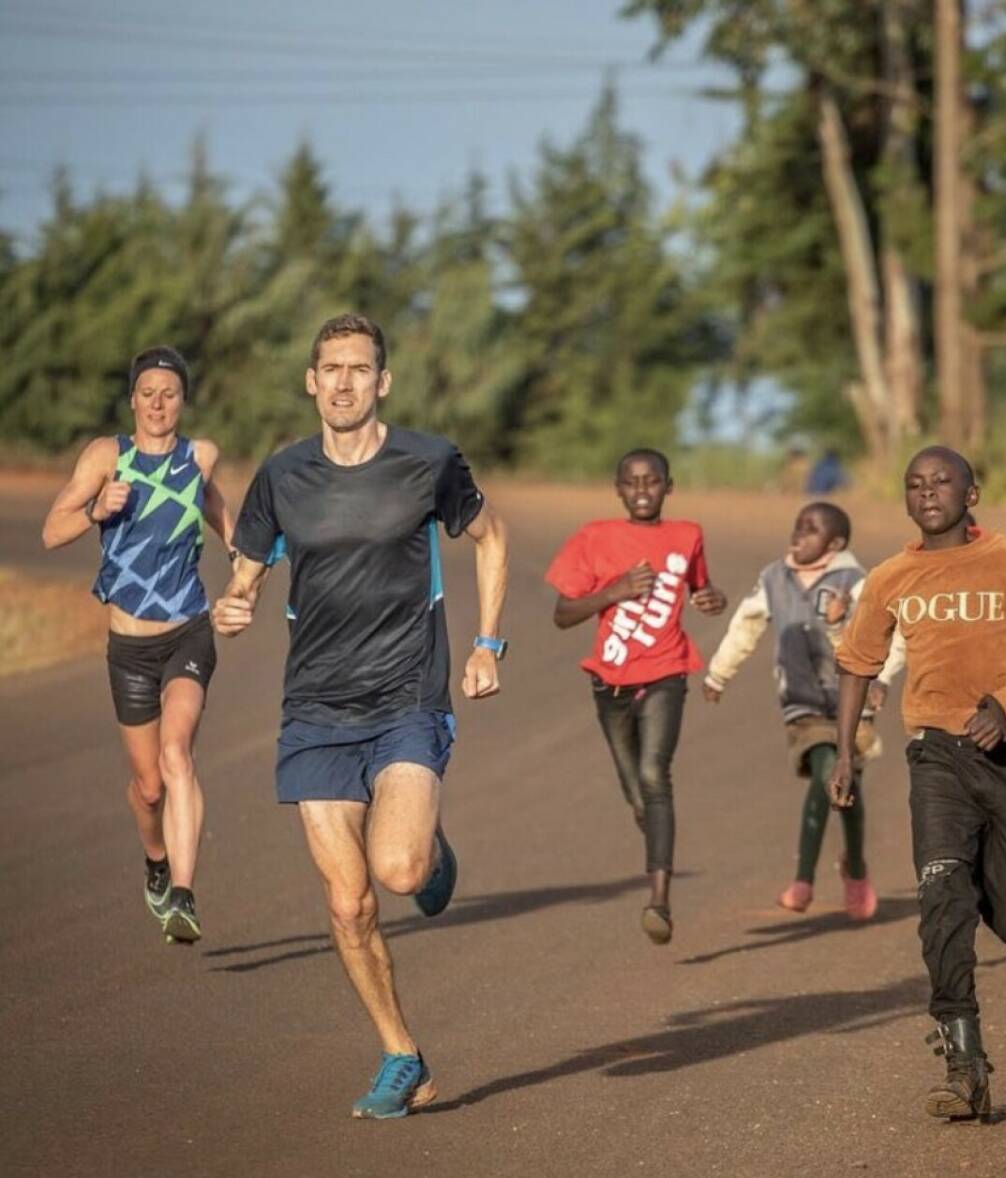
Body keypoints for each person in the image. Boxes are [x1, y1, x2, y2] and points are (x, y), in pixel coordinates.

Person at [212, 313, 509, 1119]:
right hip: (315, 708)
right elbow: (248, 571)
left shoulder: (429, 462)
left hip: (407, 696)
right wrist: (234, 605)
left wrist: (487, 644)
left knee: (401, 872)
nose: (343, 381)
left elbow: (490, 536)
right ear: (310, 381)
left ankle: (428, 845)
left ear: (383, 381)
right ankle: (400, 1053)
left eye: (359, 368)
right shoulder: (282, 476)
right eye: (330, 368)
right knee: (348, 904)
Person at [830, 446, 1006, 1123]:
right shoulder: (891, 577)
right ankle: (966, 1064)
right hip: (935, 754)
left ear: (973, 492)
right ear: (905, 499)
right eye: (915, 483)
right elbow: (857, 664)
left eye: (942, 481)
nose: (928, 491)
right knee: (941, 896)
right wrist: (846, 753)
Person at [41, 346, 232, 945]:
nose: (157, 403)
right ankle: (155, 862)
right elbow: (51, 532)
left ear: (182, 401)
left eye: (169, 394)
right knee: (149, 787)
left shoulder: (199, 457)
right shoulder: (106, 456)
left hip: (187, 633)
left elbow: (220, 512)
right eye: (147, 393)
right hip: (128, 652)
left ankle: (183, 895)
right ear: (132, 400)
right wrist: (97, 508)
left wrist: (249, 562)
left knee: (178, 756)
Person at [545, 449, 726, 945]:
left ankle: (659, 902)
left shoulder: (687, 535)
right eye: (632, 482)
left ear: (669, 486)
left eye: (652, 481)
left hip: (667, 671)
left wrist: (714, 600)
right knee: (638, 796)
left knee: (653, 774)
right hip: (610, 683)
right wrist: (614, 592)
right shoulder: (594, 538)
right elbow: (563, 613)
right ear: (618, 488)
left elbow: (702, 590)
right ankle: (653, 830)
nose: (642, 490)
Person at [702, 502, 904, 919]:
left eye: (811, 530)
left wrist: (881, 679)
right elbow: (746, 623)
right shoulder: (774, 578)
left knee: (848, 790)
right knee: (827, 769)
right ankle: (804, 879)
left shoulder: (857, 582)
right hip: (803, 704)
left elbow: (891, 632)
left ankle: (856, 868)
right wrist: (718, 673)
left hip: (853, 703)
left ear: (835, 543)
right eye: (797, 527)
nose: (799, 535)